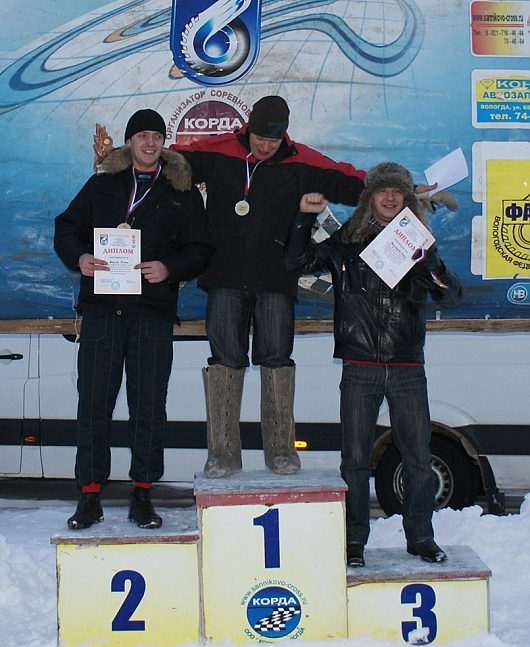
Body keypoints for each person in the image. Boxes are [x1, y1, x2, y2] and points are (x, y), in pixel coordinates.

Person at [170, 95, 367, 478]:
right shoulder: (220, 152)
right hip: (223, 278)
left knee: (277, 360)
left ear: (285, 136)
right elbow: (170, 161)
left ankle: (281, 452)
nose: (264, 146)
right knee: (225, 362)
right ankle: (222, 455)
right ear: (249, 128)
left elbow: (349, 179)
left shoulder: (301, 161)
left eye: (272, 141)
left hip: (276, 281)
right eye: (259, 138)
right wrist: (121, 159)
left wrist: (399, 187)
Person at [285, 162, 462, 567]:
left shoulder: (418, 243)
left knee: (417, 457)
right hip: (359, 365)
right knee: (355, 460)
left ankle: (421, 538)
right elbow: (295, 264)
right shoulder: (346, 243)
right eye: (382, 191)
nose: (390, 198)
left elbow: (451, 296)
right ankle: (353, 544)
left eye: (398, 192)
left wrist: (430, 259)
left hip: (406, 367)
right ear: (370, 197)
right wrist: (302, 217)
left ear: (406, 199)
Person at [54, 109, 212, 530]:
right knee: (93, 405)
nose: (149, 143)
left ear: (164, 143)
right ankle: (89, 496)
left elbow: (202, 249)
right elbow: (65, 227)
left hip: (152, 314)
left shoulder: (181, 192)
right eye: (141, 135)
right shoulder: (103, 184)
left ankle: (143, 494)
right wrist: (80, 258)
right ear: (129, 142)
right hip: (103, 312)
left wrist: (169, 268)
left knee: (148, 407)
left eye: (156, 136)